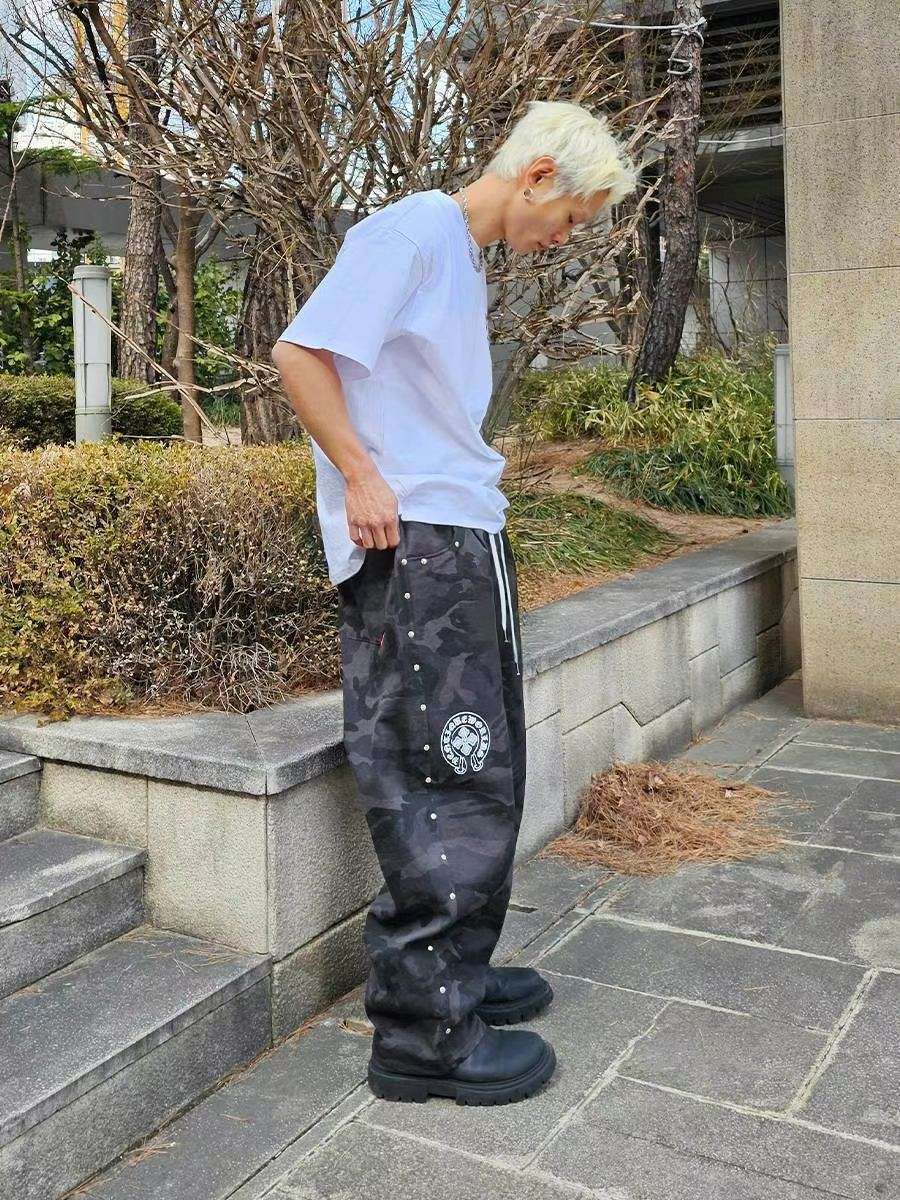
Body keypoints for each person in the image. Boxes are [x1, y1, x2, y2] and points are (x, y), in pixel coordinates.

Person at [272, 99, 637, 1105]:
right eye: (571, 216)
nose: (565, 237)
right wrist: (361, 476)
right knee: (443, 770)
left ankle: (456, 974)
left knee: (483, 763)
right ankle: (423, 1033)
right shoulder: (412, 232)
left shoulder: (458, 254)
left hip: (457, 533)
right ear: (538, 175)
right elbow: (300, 354)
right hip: (416, 543)